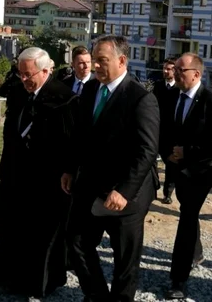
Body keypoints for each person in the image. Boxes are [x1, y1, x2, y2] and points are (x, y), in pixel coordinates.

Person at [63, 35, 160, 302]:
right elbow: (80, 134)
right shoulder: (92, 90)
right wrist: (70, 168)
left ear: (121, 60)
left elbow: (147, 150)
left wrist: (124, 190)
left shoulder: (140, 98)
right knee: (77, 241)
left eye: (102, 61)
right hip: (90, 183)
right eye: (94, 61)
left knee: (124, 259)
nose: (95, 67)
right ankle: (96, 295)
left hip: (126, 192)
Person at [0, 47, 77, 299]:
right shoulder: (18, 92)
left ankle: (38, 282)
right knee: (9, 224)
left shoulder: (64, 98)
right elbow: (10, 130)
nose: (25, 80)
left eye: (29, 75)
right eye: (21, 74)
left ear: (46, 71)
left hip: (47, 179)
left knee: (41, 234)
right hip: (15, 173)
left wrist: (68, 170)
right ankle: (9, 273)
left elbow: (72, 141)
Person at [162, 53, 212, 300]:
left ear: (196, 74)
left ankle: (178, 280)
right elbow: (164, 131)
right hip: (178, 168)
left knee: (187, 217)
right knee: (188, 212)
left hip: (203, 170)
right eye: (175, 69)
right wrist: (167, 152)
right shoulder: (171, 97)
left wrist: (187, 152)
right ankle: (197, 251)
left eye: (181, 70)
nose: (175, 73)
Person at [153, 57, 180, 204]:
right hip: (156, 129)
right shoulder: (158, 86)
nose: (165, 71)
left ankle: (168, 193)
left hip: (171, 133)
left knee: (171, 163)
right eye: (164, 68)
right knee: (151, 159)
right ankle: (153, 186)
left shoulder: (179, 88)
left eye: (169, 69)